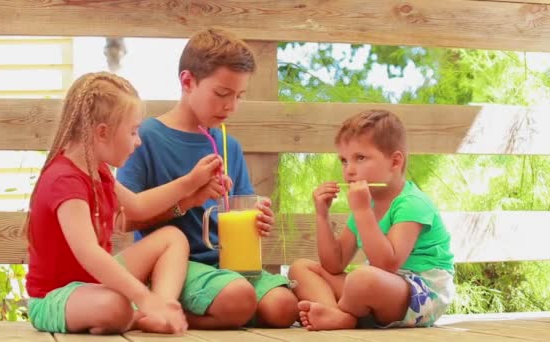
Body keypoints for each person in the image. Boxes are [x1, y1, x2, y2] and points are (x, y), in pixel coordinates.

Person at [117, 28, 299, 329]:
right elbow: (125, 219)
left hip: (229, 266)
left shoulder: (230, 146)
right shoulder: (146, 139)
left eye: (239, 96)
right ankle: (155, 312)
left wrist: (258, 216)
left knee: (283, 307)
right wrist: (188, 199)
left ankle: (228, 311)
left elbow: (241, 208)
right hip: (175, 269)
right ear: (187, 81)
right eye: (222, 94)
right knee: (238, 297)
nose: (231, 107)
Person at [25, 72, 223, 335]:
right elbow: (89, 254)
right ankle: (144, 312)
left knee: (173, 237)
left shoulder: (100, 171)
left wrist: (190, 183)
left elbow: (138, 206)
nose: (138, 141)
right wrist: (143, 297)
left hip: (93, 284)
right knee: (114, 307)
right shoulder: (65, 180)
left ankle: (162, 307)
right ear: (102, 132)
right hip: (55, 297)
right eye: (132, 131)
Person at [289, 109, 455, 330]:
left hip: (421, 296)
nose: (349, 170)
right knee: (301, 268)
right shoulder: (367, 205)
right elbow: (334, 263)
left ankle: (344, 314)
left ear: (395, 162)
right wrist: (322, 215)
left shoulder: (412, 203)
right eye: (344, 161)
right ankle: (337, 314)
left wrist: (362, 211)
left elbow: (387, 264)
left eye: (360, 158)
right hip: (379, 288)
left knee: (361, 278)